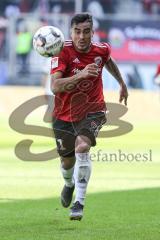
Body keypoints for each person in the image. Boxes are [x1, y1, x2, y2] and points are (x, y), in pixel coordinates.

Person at [50, 13, 128, 221]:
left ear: (93, 32)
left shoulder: (101, 50)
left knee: (82, 147)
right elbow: (55, 86)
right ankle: (69, 184)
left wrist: (122, 83)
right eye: (77, 31)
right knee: (67, 163)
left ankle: (79, 203)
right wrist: (81, 74)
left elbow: (108, 62)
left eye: (86, 31)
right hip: (63, 114)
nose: (82, 36)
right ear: (71, 32)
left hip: (93, 110)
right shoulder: (61, 51)